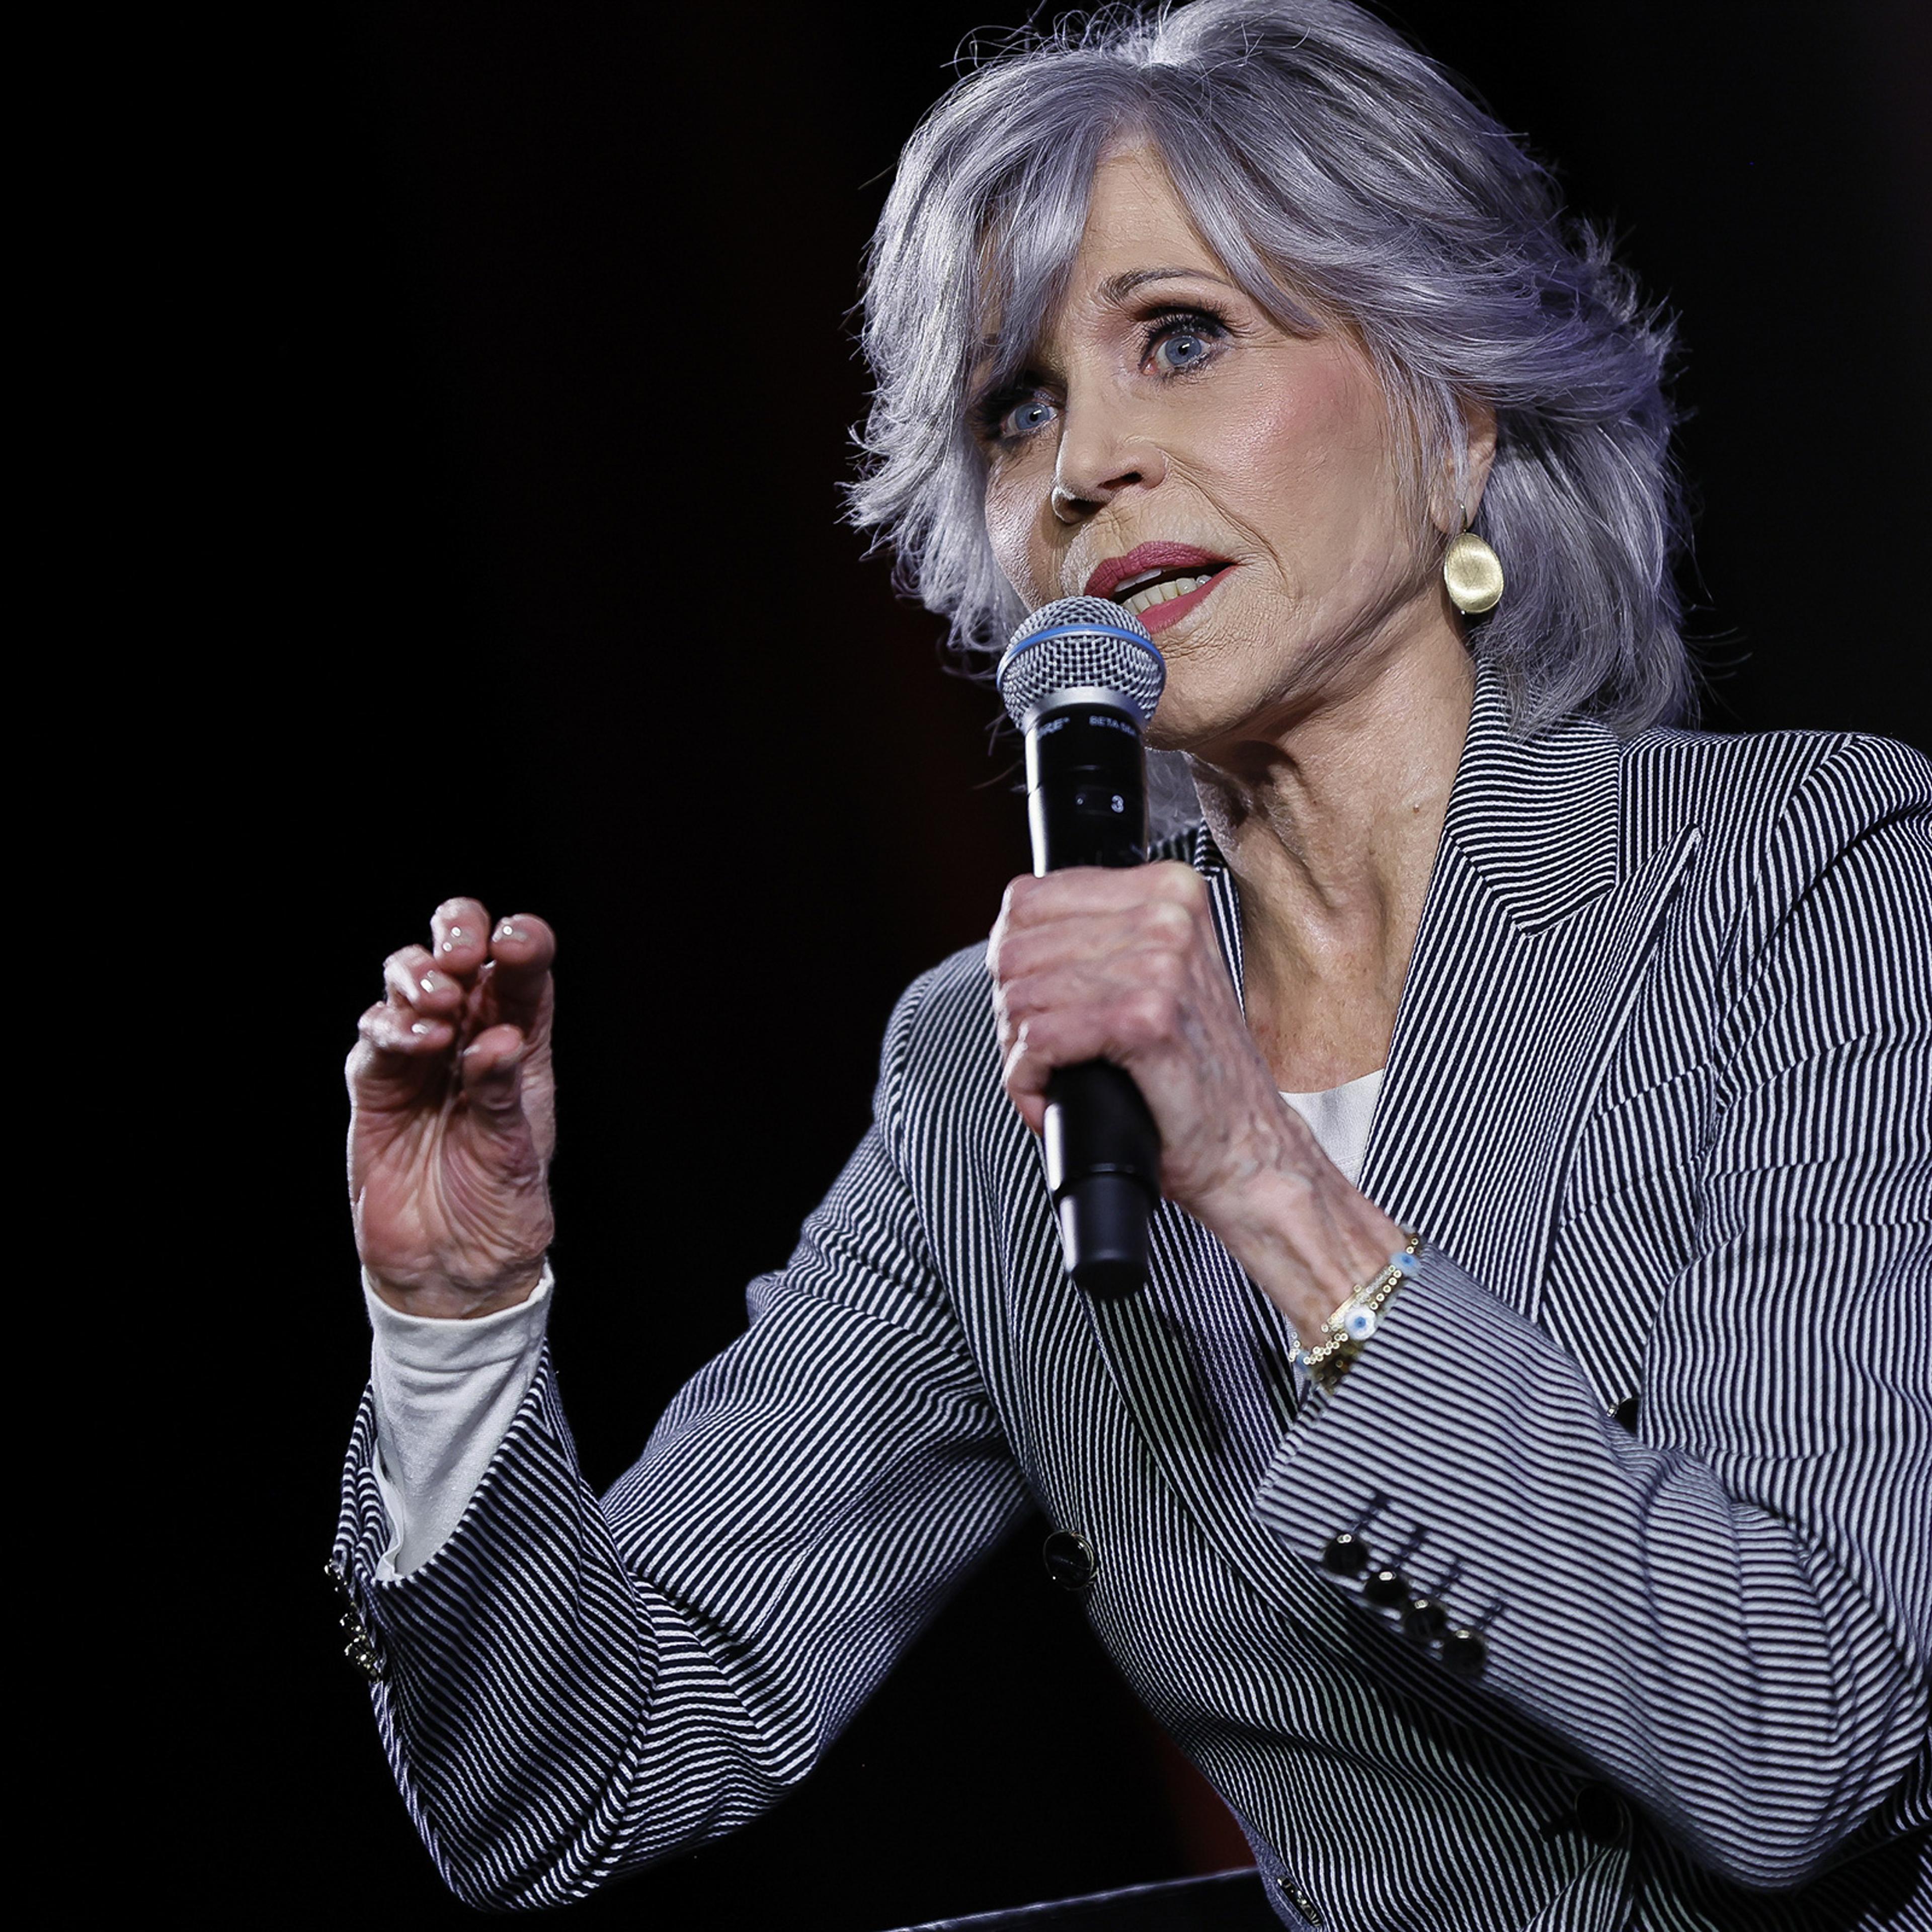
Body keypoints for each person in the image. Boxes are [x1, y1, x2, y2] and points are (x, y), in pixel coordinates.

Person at [331, 3, 1930, 1925]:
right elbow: (574, 1777)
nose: (1088, 462)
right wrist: (456, 1326)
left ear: (1457, 412)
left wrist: (1267, 1185)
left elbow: (1793, 1736)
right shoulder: (987, 1076)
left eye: (1182, 339)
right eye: (1018, 407)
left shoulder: (1790, 879)